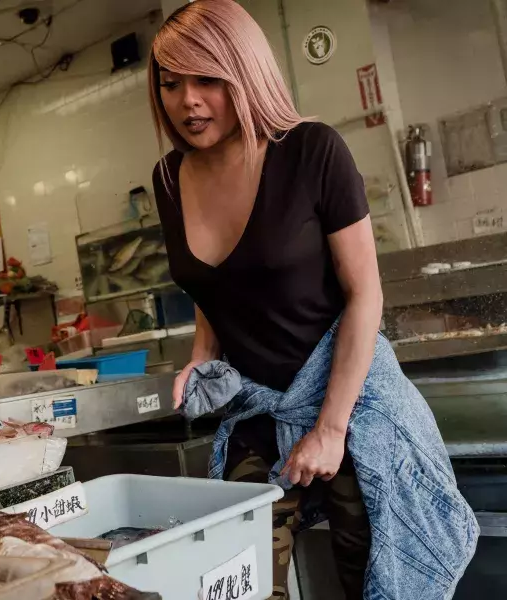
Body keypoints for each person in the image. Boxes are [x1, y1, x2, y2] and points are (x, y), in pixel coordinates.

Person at [148, 2, 378, 598]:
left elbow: (364, 294)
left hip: (348, 403)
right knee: (240, 572)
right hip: (256, 410)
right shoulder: (170, 179)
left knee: (372, 569)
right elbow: (214, 283)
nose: (188, 102)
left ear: (243, 72)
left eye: (207, 80)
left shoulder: (312, 151)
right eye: (170, 85)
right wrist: (202, 351)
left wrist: (331, 428)